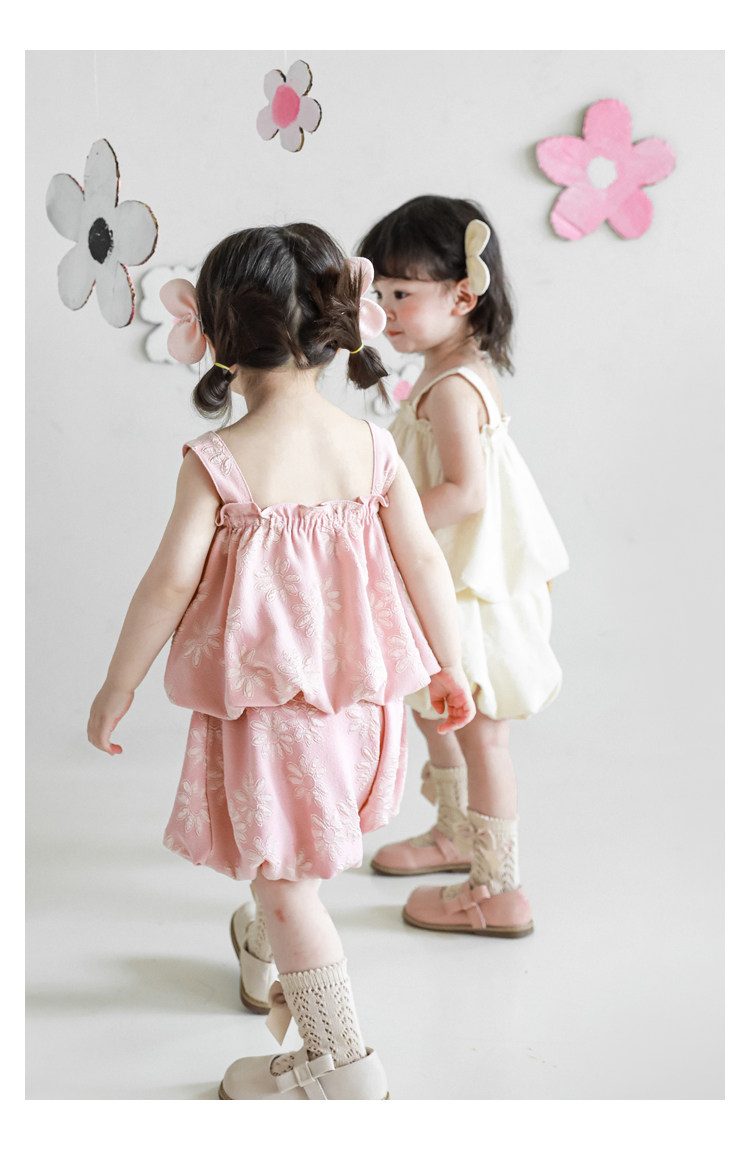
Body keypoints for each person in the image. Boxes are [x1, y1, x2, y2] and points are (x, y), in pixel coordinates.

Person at [86, 223, 475, 1101]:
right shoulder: (370, 446)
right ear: (338, 327)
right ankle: (266, 953)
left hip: (273, 717)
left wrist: (119, 684)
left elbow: (168, 583)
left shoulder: (220, 463)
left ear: (217, 338)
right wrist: (448, 667)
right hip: (360, 708)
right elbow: (423, 562)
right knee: (294, 855)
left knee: (286, 876)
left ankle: (343, 1063)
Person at [358, 195, 569, 937]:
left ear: (462, 296)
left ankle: (497, 887)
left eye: (401, 294)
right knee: (436, 709)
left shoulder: (452, 387)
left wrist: (378, 523)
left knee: (479, 732)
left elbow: (465, 491)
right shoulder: (444, 370)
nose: (385, 311)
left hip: (471, 591)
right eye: (379, 293)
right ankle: (455, 832)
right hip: (446, 578)